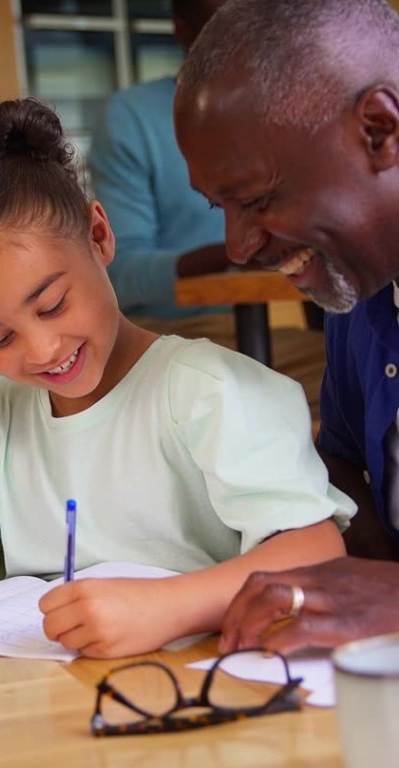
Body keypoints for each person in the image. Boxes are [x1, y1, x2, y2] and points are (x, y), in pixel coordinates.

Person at [0, 97, 354, 659]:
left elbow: (317, 549)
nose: (42, 350)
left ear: (99, 235)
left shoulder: (203, 389)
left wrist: (166, 608)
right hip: (65, 700)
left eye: (52, 304)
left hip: (207, 687)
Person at [173, 0, 399, 652]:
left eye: (257, 199)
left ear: (380, 130)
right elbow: (349, 468)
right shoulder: (359, 289)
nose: (238, 246)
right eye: (221, 207)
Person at [88, 0, 229, 325]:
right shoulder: (132, 117)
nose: (245, 39)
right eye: (222, 26)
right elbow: (118, 272)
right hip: (179, 329)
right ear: (182, 29)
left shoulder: (279, 108)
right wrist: (237, 255)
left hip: (279, 317)